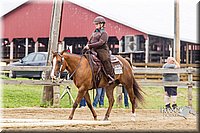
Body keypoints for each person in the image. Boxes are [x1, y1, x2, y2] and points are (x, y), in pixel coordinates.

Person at [83, 16, 115, 84]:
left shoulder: (104, 33)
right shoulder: (94, 33)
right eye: (95, 24)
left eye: (97, 24)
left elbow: (101, 42)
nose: (96, 25)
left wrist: (90, 46)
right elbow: (90, 40)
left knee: (105, 59)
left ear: (102, 24)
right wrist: (87, 45)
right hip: (93, 50)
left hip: (102, 50)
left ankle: (110, 76)